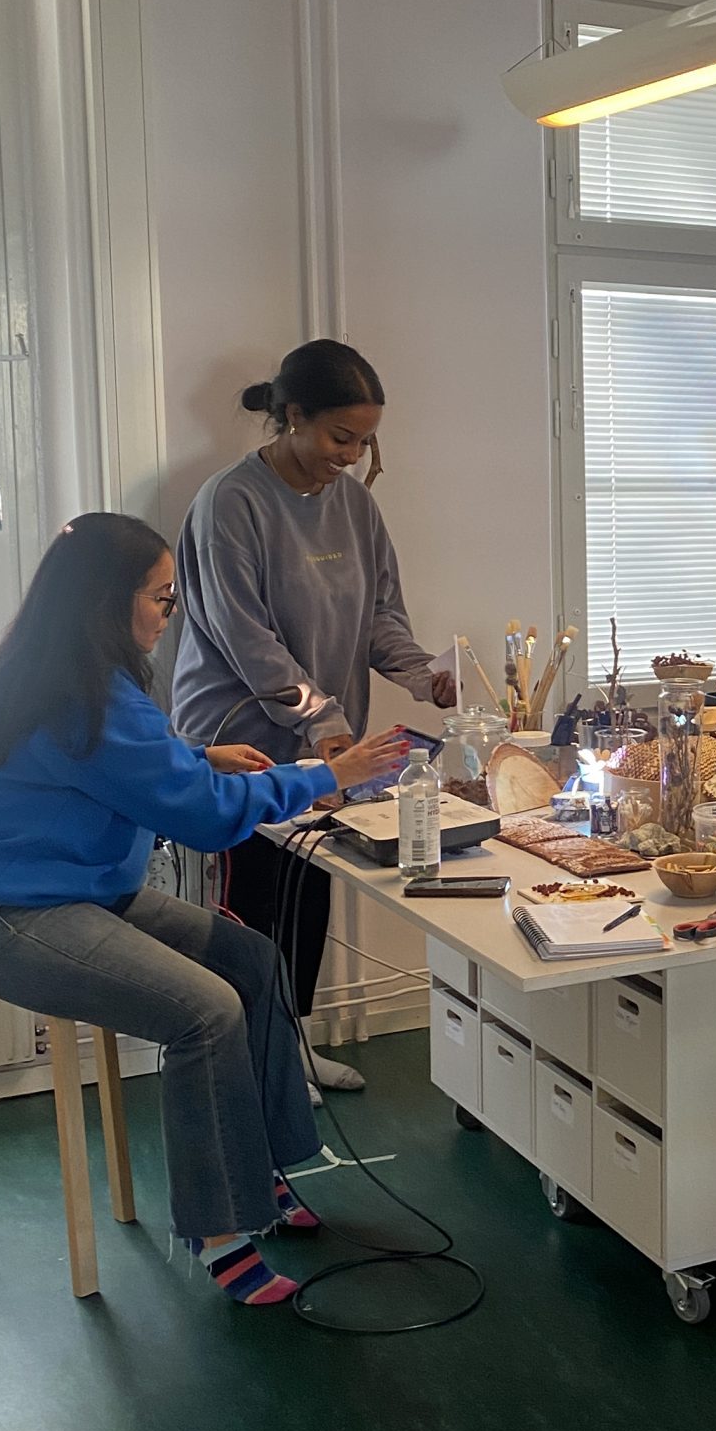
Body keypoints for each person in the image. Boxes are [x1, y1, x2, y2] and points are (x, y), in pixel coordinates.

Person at [0, 515, 407, 1307]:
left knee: (253, 962)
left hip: (72, 892)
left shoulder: (56, 671)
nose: (169, 613)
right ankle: (219, 1230)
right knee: (205, 1010)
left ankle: (260, 1171)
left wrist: (197, 758)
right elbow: (203, 818)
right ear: (109, 600)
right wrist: (324, 775)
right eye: (162, 598)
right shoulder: (86, 695)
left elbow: (109, 767)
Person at [171, 340, 456, 1086]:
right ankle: (243, 1062)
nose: (352, 457)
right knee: (251, 902)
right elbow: (246, 639)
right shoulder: (229, 503)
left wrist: (423, 675)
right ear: (293, 416)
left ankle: (289, 1049)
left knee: (309, 889)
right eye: (340, 438)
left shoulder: (355, 505)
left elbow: (380, 616)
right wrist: (324, 723)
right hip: (239, 743)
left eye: (365, 442)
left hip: (323, 745)